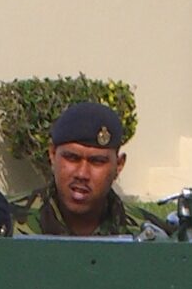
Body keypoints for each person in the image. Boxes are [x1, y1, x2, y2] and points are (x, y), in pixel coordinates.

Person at [12, 102, 169, 238]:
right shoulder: (7, 222)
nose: (82, 174)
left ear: (119, 165)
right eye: (72, 158)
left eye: (97, 161)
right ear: (52, 154)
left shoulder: (148, 234)